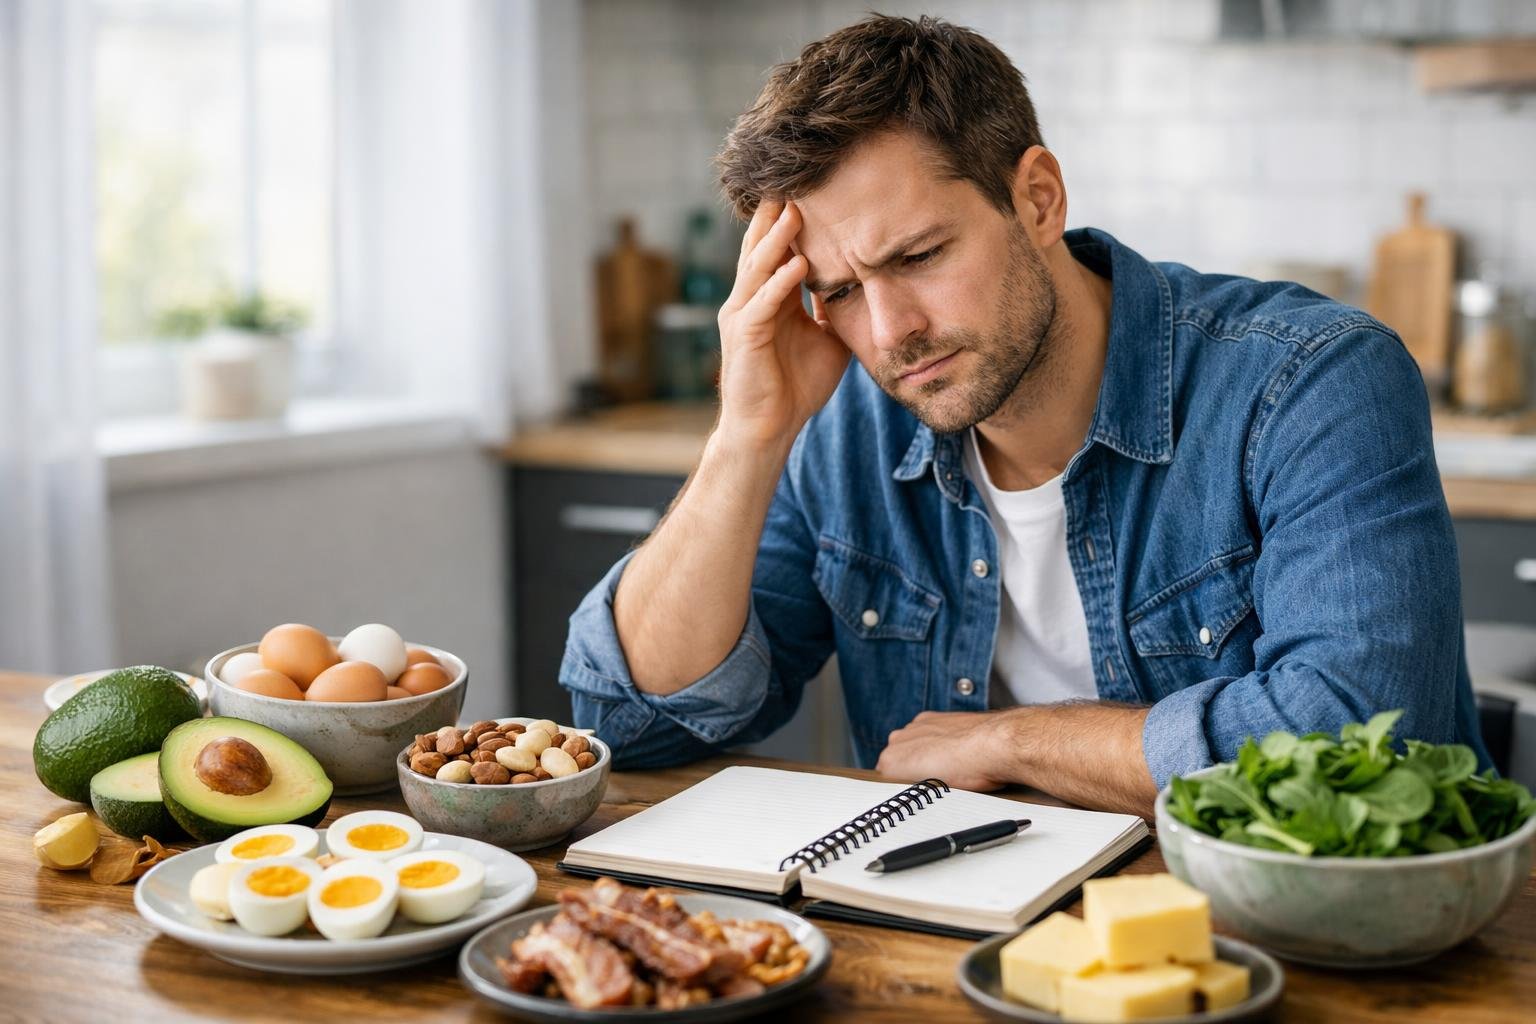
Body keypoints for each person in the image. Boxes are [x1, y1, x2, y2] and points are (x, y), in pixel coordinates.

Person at [558, 14, 1489, 816]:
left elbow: (1363, 746)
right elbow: (630, 725)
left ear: (1037, 198)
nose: (892, 334)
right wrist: (746, 437)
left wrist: (1014, 741)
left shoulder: (1309, 380)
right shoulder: (847, 417)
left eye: (919, 255)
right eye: (840, 290)